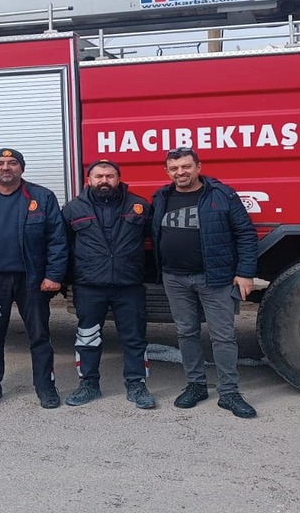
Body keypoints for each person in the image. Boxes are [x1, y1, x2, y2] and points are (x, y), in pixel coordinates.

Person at [151, 147, 260, 419]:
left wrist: (245, 272)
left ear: (198, 167)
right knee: (186, 333)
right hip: (174, 278)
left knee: (222, 336)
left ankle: (229, 393)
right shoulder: (161, 197)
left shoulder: (222, 195)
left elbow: (245, 233)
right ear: (167, 172)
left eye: (186, 166)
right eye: (174, 168)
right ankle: (196, 385)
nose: (180, 172)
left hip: (215, 278)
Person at [0, 148, 68, 409]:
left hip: (32, 281)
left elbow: (57, 239)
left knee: (40, 335)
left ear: (21, 168)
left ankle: (45, 386)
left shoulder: (41, 197)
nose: (6, 167)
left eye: (12, 163)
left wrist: (54, 275)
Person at [62, 160, 156, 409]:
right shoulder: (73, 209)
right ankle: (88, 384)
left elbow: (153, 242)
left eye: (110, 176)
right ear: (88, 180)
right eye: (99, 176)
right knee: (88, 337)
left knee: (135, 338)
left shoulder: (139, 206)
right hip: (89, 286)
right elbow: (64, 247)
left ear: (119, 178)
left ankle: (137, 386)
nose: (104, 180)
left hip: (129, 285)